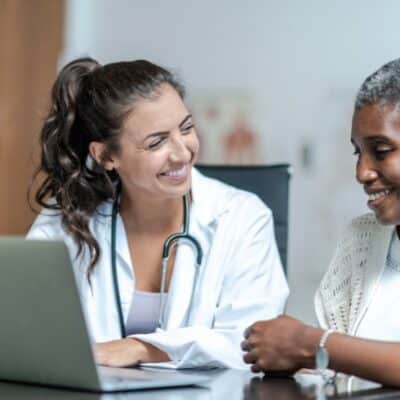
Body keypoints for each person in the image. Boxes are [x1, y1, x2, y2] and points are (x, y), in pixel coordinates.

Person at [27, 57, 288, 369]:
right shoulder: (66, 221)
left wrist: (138, 348)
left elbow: (254, 343)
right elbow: (26, 329)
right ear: (106, 155)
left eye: (186, 128)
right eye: (157, 142)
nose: (182, 152)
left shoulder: (242, 217)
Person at [241, 58, 400, 387]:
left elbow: (323, 347)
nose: (362, 173)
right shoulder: (362, 239)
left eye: (381, 151)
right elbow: (337, 373)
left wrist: (310, 344)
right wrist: (296, 358)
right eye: (358, 152)